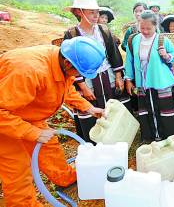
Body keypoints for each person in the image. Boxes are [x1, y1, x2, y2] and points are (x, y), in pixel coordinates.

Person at [0, 36, 105, 207]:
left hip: (26, 112)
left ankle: (65, 178)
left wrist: (88, 108)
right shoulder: (28, 72)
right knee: (18, 170)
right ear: (69, 64)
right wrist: (32, 133)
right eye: (79, 72)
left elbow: (65, 87)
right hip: (5, 121)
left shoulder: (62, 61)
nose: (80, 76)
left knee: (50, 148)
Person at [64, 0, 129, 143]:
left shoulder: (103, 31)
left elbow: (113, 53)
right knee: (90, 106)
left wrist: (118, 75)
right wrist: (83, 86)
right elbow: (71, 62)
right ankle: (95, 141)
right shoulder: (72, 34)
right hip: (86, 78)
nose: (95, 15)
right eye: (91, 12)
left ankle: (116, 138)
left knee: (113, 104)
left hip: (107, 74)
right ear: (80, 12)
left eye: (97, 12)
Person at [124, 10, 174, 141]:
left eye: (149, 28)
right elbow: (129, 60)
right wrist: (128, 79)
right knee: (147, 110)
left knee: (165, 111)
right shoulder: (134, 40)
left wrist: (166, 55)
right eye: (142, 28)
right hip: (143, 83)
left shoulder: (162, 39)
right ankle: (151, 136)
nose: (145, 31)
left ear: (155, 26)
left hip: (161, 81)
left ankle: (168, 138)